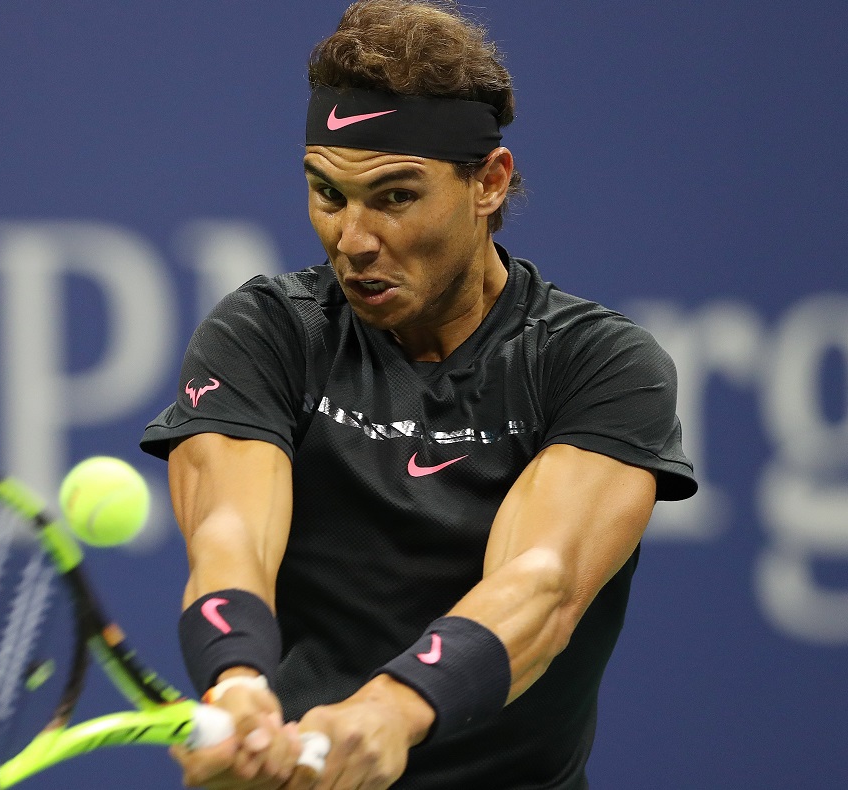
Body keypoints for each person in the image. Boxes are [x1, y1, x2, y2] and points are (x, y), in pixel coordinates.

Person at [141, 1, 697, 787]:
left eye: (395, 196)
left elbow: (541, 583)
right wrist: (235, 681)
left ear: (488, 184)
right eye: (327, 193)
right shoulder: (266, 332)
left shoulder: (597, 363)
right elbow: (230, 537)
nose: (353, 238)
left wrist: (392, 710)